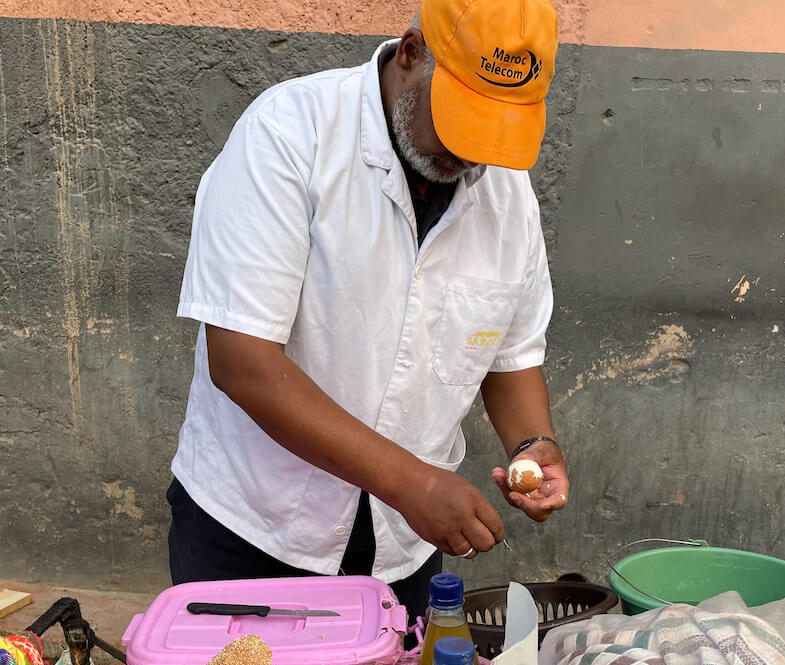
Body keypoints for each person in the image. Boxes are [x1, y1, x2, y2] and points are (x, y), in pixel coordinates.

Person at [166, 0, 568, 623]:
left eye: (494, 130)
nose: (469, 156)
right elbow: (241, 360)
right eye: (460, 120)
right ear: (410, 55)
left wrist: (533, 442)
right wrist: (411, 483)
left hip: (402, 550)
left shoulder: (506, 196)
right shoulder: (288, 135)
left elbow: (509, 354)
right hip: (254, 531)